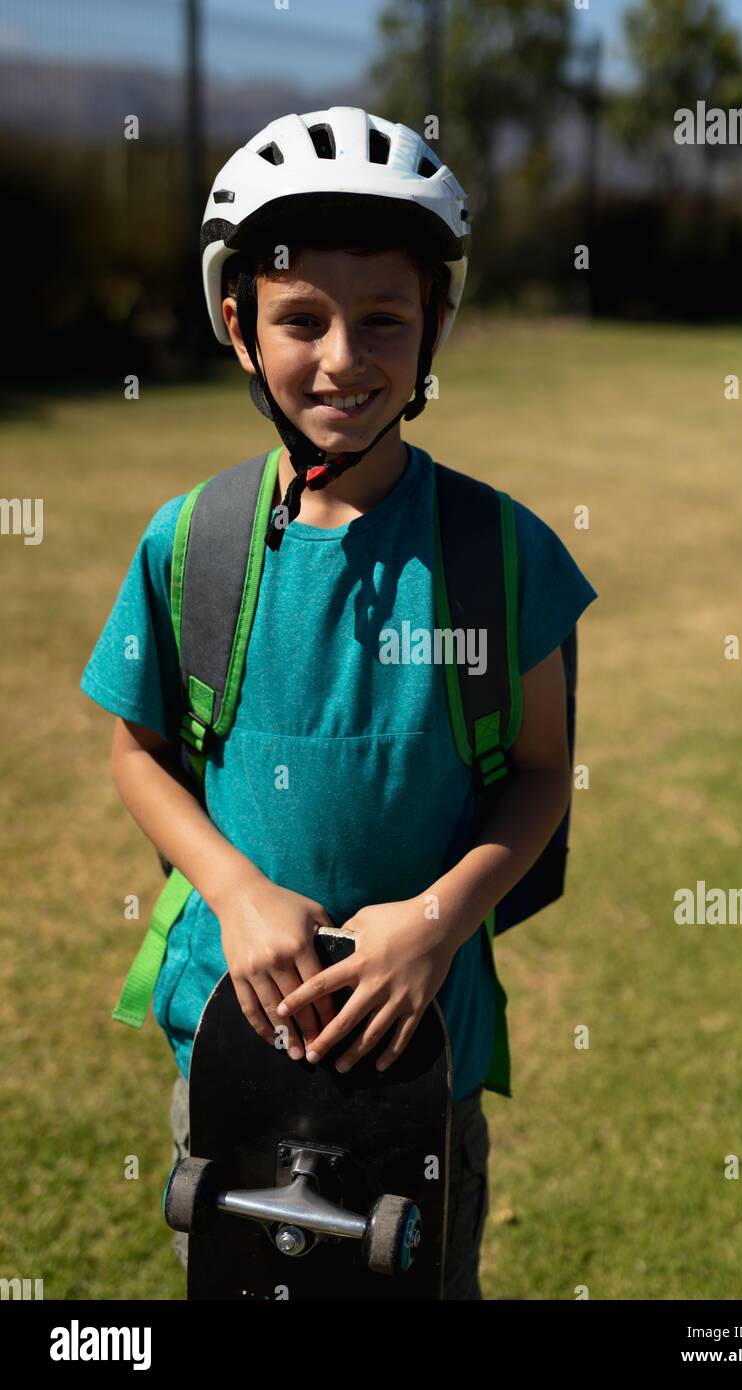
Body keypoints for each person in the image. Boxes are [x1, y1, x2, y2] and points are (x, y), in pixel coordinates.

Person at [80, 106, 597, 1300]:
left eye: (383, 320)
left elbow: (537, 775)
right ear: (238, 325)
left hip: (423, 1060)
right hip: (231, 1050)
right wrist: (236, 887)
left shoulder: (496, 552)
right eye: (299, 319)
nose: (343, 359)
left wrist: (430, 923)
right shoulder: (193, 543)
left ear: (433, 330)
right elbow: (137, 751)